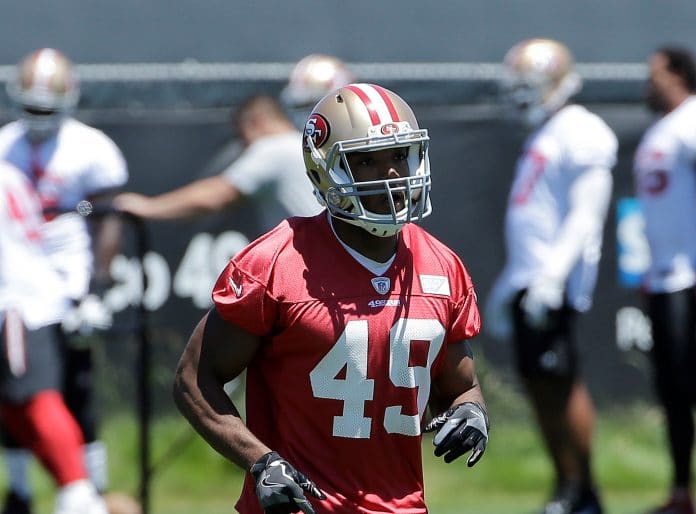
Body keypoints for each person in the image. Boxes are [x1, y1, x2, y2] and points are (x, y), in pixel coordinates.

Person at [172, 83, 489, 514]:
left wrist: (472, 413)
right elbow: (194, 379)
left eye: (398, 155)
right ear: (327, 170)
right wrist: (260, 462)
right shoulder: (277, 262)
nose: (392, 174)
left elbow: (461, 387)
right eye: (365, 160)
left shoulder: (441, 264)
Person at [484, 38, 617, 514]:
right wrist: (511, 286)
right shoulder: (546, 132)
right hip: (531, 278)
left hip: (550, 283)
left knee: (561, 383)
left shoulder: (581, 130)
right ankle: (566, 485)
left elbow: (586, 216)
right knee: (541, 385)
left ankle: (584, 490)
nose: (520, 98)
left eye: (529, 87)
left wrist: (551, 278)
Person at [0, 48, 129, 514]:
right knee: (18, 393)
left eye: (45, 108)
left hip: (62, 286)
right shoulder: (5, 147)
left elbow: (108, 218)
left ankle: (83, 490)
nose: (37, 119)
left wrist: (95, 288)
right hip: (16, 281)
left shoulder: (90, 147)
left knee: (68, 390)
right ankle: (24, 491)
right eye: (30, 107)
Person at [0, 160, 108, 514]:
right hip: (28, 298)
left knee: (35, 400)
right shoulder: (10, 172)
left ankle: (80, 496)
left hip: (17, 303)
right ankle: (75, 488)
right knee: (12, 407)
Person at [633, 46, 696, 514]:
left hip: (691, 277)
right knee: (675, 391)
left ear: (676, 74)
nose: (647, 82)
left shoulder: (691, 121)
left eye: (654, 73)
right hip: (665, 277)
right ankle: (680, 493)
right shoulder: (663, 129)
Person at [113, 94, 322, 234]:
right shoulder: (302, 145)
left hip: (315, 268)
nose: (244, 146)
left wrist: (147, 208)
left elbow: (215, 196)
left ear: (255, 122)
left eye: (243, 137)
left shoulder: (272, 149)